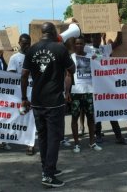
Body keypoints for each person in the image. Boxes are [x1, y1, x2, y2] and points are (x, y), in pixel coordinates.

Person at [21, 22, 75, 188]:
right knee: (54, 138)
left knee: (43, 137)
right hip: (54, 102)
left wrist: (24, 97)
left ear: (42, 33)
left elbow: (24, 75)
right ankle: (48, 175)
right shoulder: (60, 49)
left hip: (37, 100)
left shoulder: (31, 50)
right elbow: (71, 69)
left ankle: (46, 168)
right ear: (53, 32)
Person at [65, 36, 102, 153]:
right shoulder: (70, 58)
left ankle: (92, 142)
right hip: (76, 92)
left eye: (81, 43)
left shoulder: (91, 56)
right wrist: (67, 92)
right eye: (77, 44)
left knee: (91, 118)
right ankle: (76, 144)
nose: (79, 45)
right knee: (74, 118)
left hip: (89, 92)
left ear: (85, 44)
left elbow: (106, 60)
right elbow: (68, 76)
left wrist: (99, 57)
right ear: (74, 45)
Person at [7, 33, 35, 155]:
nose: (26, 45)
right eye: (24, 43)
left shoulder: (35, 56)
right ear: (19, 43)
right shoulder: (14, 58)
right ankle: (15, 139)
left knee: (32, 118)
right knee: (19, 116)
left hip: (33, 92)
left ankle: (30, 144)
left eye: (28, 43)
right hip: (20, 93)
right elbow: (11, 76)